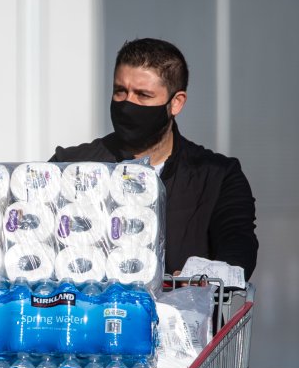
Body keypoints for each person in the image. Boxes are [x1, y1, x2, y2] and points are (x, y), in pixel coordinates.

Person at [52, 38, 258, 279]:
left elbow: (237, 241)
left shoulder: (217, 176)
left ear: (176, 103)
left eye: (143, 95)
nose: (128, 103)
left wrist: (205, 276)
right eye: (120, 91)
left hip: (181, 314)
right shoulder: (70, 166)